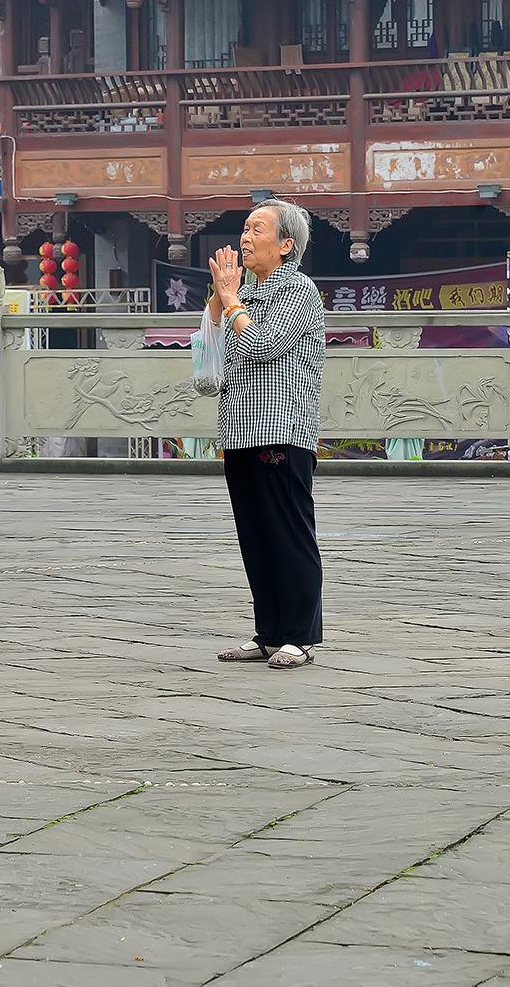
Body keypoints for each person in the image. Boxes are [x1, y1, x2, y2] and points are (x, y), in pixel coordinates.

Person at [205, 199, 326, 671]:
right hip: (238, 428)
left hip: (283, 428)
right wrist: (218, 302)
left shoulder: (298, 290)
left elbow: (263, 344)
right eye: (245, 227)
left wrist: (231, 302)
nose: (246, 237)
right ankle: (269, 632)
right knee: (254, 536)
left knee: (289, 532)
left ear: (286, 244)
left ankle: (300, 635)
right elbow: (208, 356)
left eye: (259, 229)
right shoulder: (243, 294)